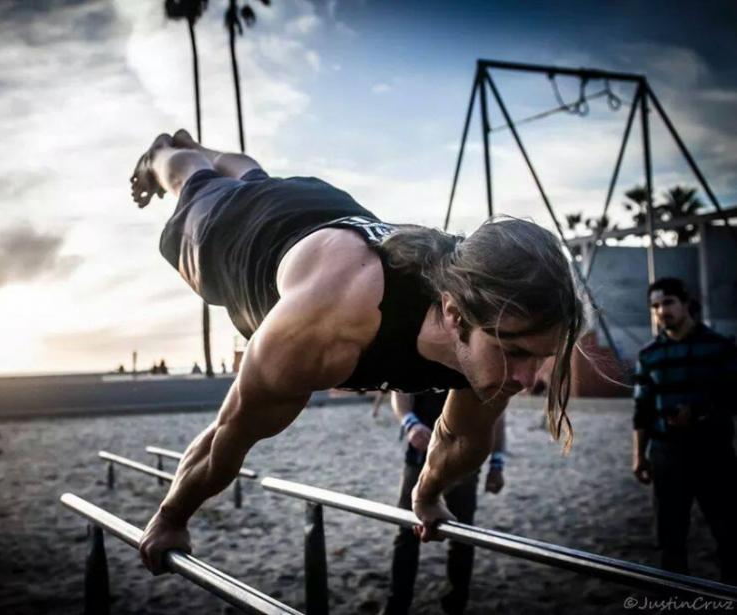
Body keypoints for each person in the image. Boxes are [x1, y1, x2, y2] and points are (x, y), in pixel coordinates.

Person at [130, 130, 584, 574]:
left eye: (539, 357)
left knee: (251, 175)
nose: (527, 379)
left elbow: (460, 438)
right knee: (198, 183)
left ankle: (202, 148)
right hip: (234, 234)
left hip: (319, 209)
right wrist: (171, 517)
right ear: (453, 313)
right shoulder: (331, 326)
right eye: (517, 352)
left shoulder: (496, 330)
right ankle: (167, 153)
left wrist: (425, 496)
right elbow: (228, 435)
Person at [632, 277, 737, 584]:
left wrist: (701, 413)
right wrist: (639, 455)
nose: (661, 311)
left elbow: (733, 398)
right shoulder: (648, 355)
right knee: (670, 539)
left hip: (714, 455)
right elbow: (642, 411)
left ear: (685, 303)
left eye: (667, 302)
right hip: (667, 457)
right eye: (654, 306)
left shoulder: (719, 348)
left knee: (729, 534)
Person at [382, 390, 506, 614]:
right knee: (406, 531)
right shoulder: (421, 357)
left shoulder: (476, 360)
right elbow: (399, 391)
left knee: (462, 534)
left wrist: (497, 463)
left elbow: (496, 412)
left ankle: (455, 603)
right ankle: (397, 603)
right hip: (419, 456)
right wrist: (411, 424)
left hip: (463, 464)